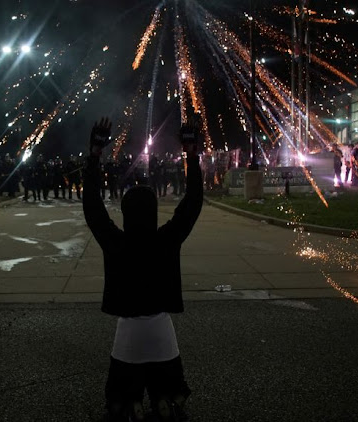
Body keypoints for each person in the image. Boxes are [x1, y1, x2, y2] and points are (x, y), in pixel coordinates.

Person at [83, 117, 202, 422]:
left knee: (122, 383)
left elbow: (92, 207)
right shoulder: (166, 240)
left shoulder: (116, 243)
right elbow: (192, 203)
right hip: (161, 327)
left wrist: (94, 155)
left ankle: (127, 402)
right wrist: (191, 153)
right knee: (168, 377)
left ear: (125, 214)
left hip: (128, 330)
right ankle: (166, 398)